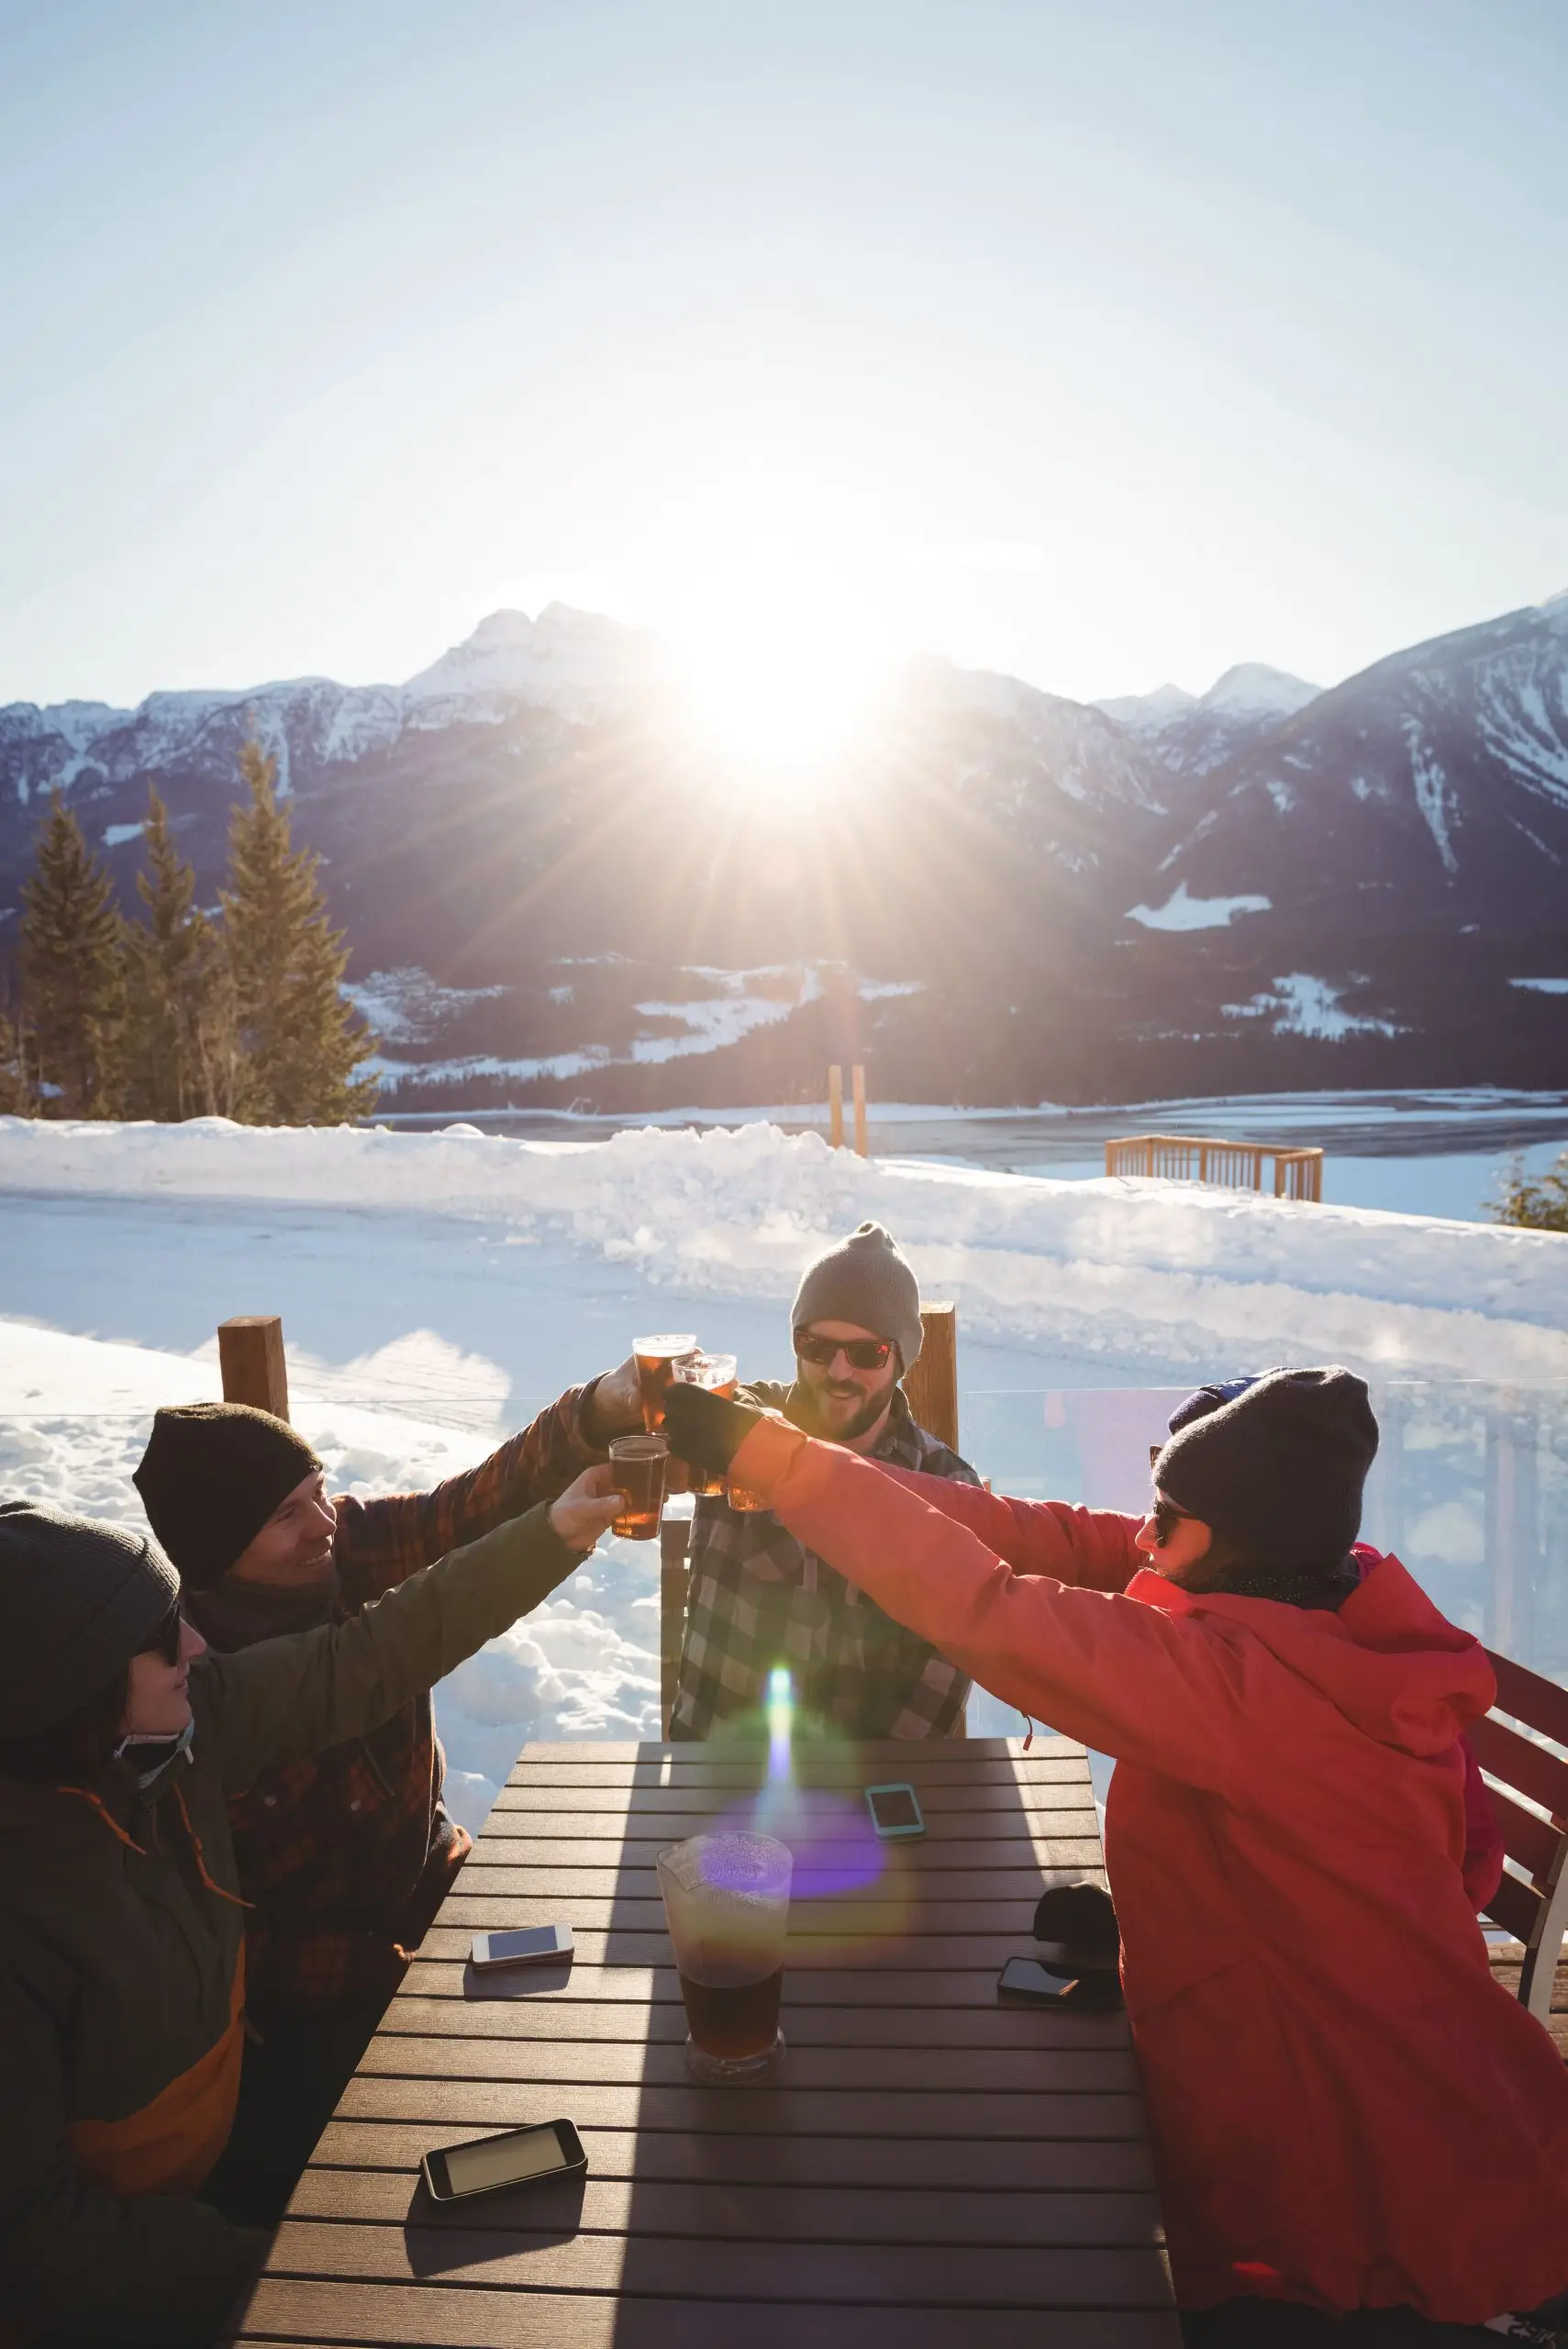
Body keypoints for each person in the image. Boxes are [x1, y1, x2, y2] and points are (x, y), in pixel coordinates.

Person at [662, 1365, 1568, 2343]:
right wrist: (777, 1452)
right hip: (1399, 2057)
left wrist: (774, 1462)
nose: (1141, 1537)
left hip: (1339, 2146)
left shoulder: (1246, 1691)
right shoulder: (1321, 1596)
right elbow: (1033, 1537)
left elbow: (987, 1605)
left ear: (1234, 1536)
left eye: (1164, 1519)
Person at [0, 1470, 624, 2347]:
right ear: (70, 1688)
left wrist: (550, 1533)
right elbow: (39, 2247)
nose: (195, 1645)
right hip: (132, 2261)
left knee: (500, 2163)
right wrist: (295, 2270)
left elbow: (365, 1657)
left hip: (233, 2125)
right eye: (160, 1639)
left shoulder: (176, 1729)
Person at [128, 1364, 646, 2222]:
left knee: (586, 2039)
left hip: (431, 1894)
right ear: (216, 1551)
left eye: (319, 1490)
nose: (324, 1523)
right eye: (287, 1514)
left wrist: (593, 1411)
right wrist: (394, 1976)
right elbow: (224, 1946)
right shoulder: (179, 1692)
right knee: (395, 2194)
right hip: (303, 2012)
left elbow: (472, 1505)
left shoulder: (345, 1549)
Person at [670, 1221, 979, 1741]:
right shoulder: (729, 1431)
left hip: (874, 1781)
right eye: (816, 1347)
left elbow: (937, 1687)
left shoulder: (943, 1485)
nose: (838, 1371)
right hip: (718, 1768)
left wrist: (874, 1783)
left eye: (866, 1354)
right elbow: (642, 1432)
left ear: (901, 1360)